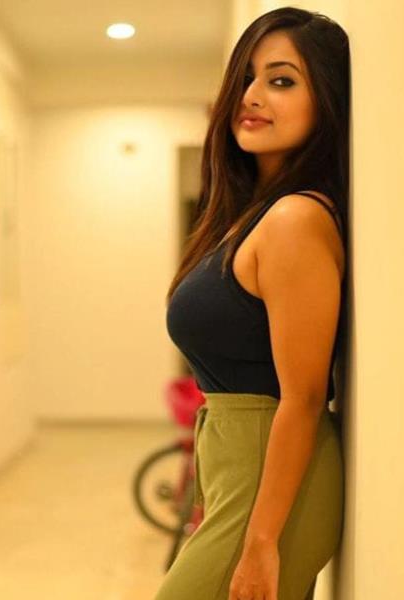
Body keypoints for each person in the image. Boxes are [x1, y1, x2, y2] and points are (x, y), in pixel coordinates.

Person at [154, 6, 350, 600]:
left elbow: (304, 396)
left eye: (281, 80)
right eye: (246, 78)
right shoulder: (249, 217)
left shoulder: (294, 220)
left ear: (326, 100)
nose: (252, 95)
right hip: (243, 474)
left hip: (271, 481)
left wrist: (261, 540)